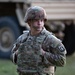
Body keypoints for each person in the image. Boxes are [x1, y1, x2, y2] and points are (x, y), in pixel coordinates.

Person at [11, 6, 67, 75]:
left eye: (41, 20)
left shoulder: (50, 40)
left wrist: (43, 54)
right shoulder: (22, 39)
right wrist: (18, 53)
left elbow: (62, 61)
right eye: (36, 20)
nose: (39, 23)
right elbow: (12, 57)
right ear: (29, 22)